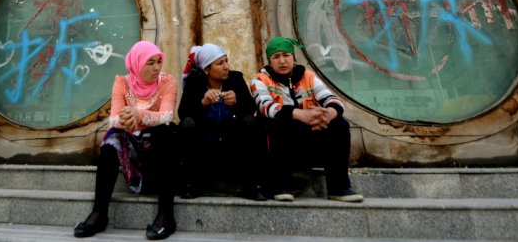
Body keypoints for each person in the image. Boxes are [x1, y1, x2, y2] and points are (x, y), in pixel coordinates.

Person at [74, 40, 178, 240]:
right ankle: (99, 213)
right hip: (133, 147)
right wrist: (128, 120)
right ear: (137, 63)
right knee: (112, 139)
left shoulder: (167, 82)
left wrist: (138, 115)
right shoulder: (122, 83)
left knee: (166, 132)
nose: (157, 67)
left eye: (159, 61)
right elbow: (113, 118)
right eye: (150, 63)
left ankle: (166, 215)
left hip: (159, 150)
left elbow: (166, 116)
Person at [250, 36, 363, 203]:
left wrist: (327, 115)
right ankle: (281, 185)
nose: (282, 61)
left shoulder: (308, 76)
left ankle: (339, 187)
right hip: (281, 145)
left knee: (339, 123)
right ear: (270, 61)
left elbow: (334, 100)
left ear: (293, 58)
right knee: (275, 122)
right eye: (276, 57)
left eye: (286, 55)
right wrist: (300, 115)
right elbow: (266, 107)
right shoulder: (260, 79)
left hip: (311, 138)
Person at [178, 43, 268, 201]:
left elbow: (249, 108)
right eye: (220, 63)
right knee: (187, 125)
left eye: (226, 61)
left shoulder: (235, 79)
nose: (226, 66)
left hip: (232, 140)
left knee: (251, 122)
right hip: (205, 140)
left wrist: (236, 103)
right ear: (206, 69)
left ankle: (252, 185)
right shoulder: (195, 82)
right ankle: (191, 184)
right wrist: (203, 103)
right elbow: (183, 113)